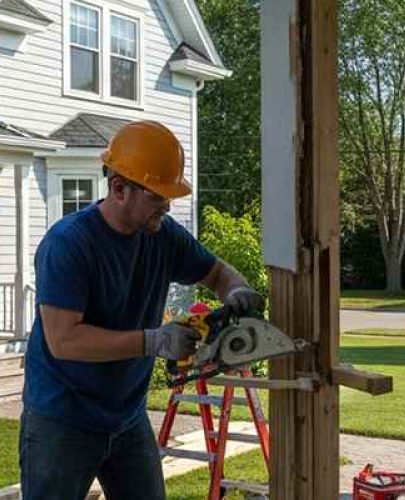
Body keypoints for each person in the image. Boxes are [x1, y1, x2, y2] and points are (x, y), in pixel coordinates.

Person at [18, 120, 264, 499]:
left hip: (127, 416)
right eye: (158, 196)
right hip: (62, 418)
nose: (167, 205)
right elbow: (64, 340)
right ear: (119, 189)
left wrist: (237, 289)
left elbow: (216, 273)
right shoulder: (68, 244)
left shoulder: (163, 235)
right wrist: (153, 341)